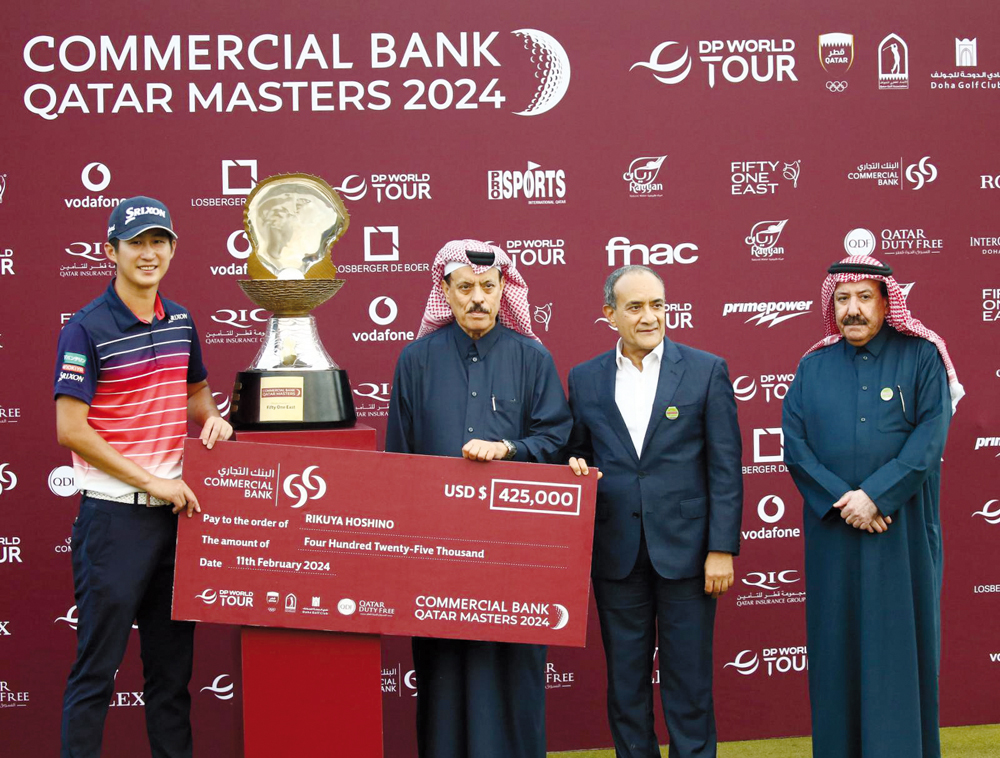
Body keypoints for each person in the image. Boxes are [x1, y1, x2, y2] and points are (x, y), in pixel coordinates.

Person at [55, 196, 233, 758]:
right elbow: (71, 430)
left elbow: (196, 392)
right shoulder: (85, 328)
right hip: (113, 521)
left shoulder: (180, 320)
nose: (149, 253)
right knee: (95, 674)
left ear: (173, 249)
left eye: (159, 241)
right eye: (136, 243)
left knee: (171, 680)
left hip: (176, 523)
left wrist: (212, 420)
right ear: (111, 252)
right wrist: (152, 481)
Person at [385, 240, 572, 758]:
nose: (477, 298)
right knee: (444, 674)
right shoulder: (416, 360)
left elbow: (556, 440)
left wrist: (509, 448)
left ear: (503, 290)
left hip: (515, 554)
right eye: (465, 287)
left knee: (511, 671)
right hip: (436, 554)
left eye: (488, 287)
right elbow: (398, 460)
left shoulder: (532, 358)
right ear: (444, 291)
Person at [781, 255, 963, 758]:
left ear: (887, 303)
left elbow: (929, 440)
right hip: (833, 533)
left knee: (899, 649)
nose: (853, 309)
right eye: (843, 299)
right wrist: (846, 502)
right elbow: (795, 446)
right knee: (836, 652)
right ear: (831, 305)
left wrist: (876, 497)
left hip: (900, 531)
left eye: (864, 297)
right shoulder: (812, 367)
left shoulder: (922, 357)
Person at [567, 265, 743, 758]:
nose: (650, 317)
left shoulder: (706, 370)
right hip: (616, 555)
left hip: (689, 555)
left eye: (658, 305)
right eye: (635, 307)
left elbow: (725, 467)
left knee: (689, 684)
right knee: (626, 685)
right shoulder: (584, 378)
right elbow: (576, 451)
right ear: (610, 315)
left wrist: (721, 548)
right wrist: (573, 464)